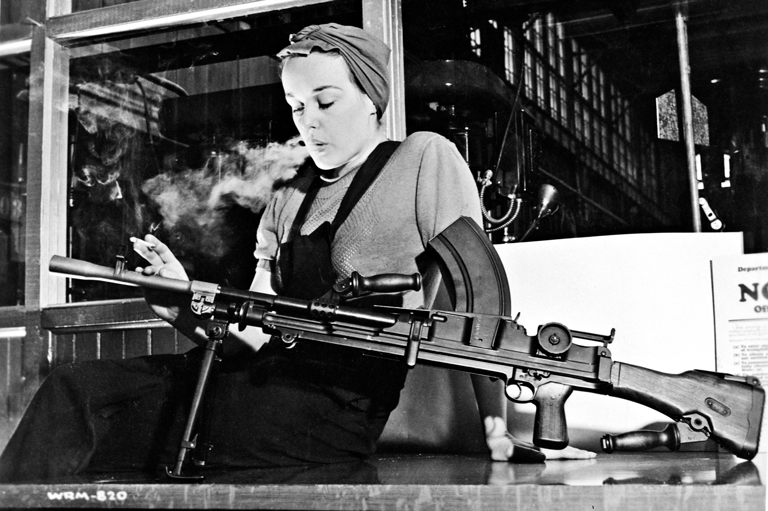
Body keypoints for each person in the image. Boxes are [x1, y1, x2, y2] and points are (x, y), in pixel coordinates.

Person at [0, 23, 591, 483]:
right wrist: (180, 306)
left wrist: (495, 432)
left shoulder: (422, 158)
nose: (308, 123)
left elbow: (478, 310)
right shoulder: (288, 197)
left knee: (120, 431)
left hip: (333, 407)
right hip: (255, 381)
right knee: (72, 389)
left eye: (325, 102)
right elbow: (252, 336)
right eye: (296, 106)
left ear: (371, 99)